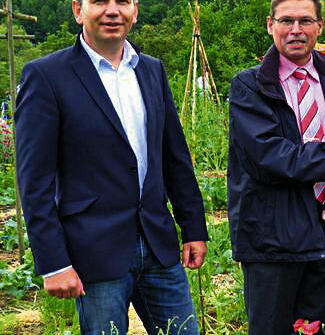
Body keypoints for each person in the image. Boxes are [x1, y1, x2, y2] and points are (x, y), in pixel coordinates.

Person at [15, 1, 208, 334]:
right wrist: (53, 263)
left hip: (158, 245)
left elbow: (174, 157)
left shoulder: (151, 70)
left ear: (135, 11)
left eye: (123, 1)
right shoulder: (47, 76)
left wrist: (193, 228)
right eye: (100, 1)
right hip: (94, 253)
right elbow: (34, 181)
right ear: (78, 10)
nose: (113, 10)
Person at [227, 0, 325, 334]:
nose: (296, 30)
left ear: (319, 27)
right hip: (272, 236)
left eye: (305, 21)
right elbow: (272, 157)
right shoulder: (249, 87)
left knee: (317, 329)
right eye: (286, 20)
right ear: (270, 24)